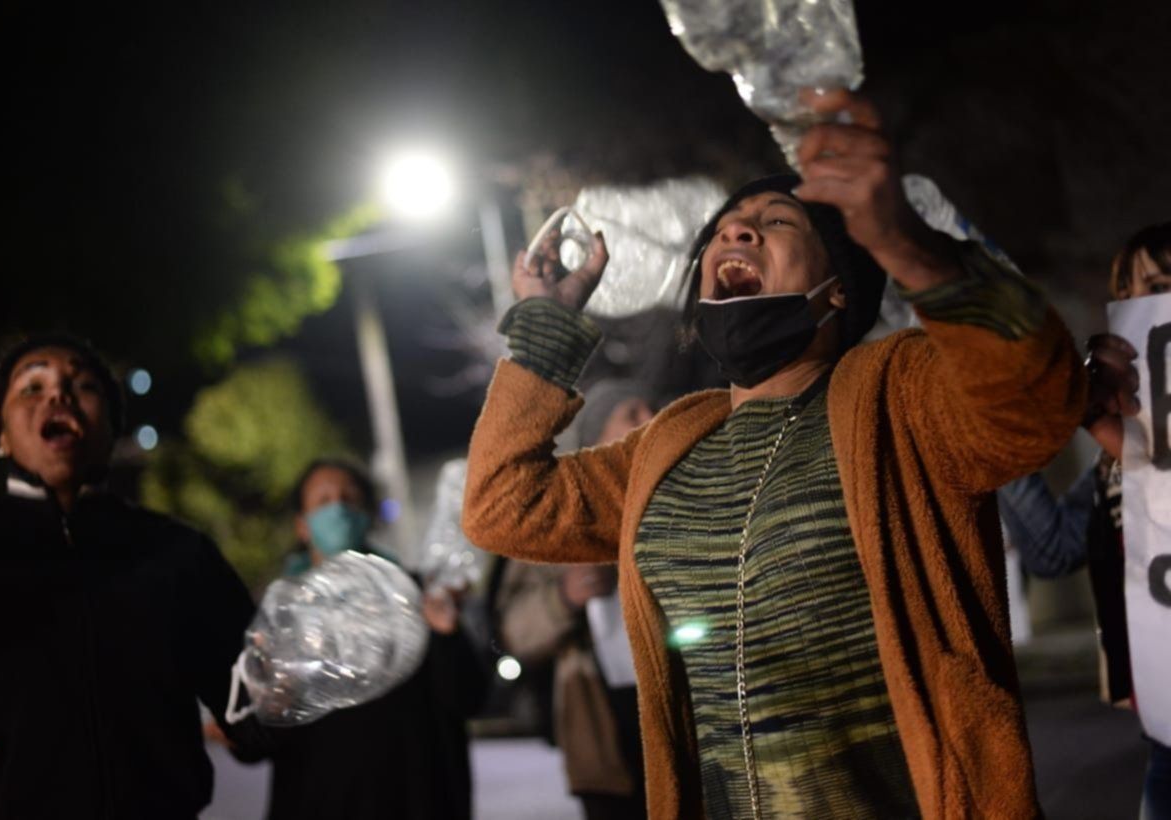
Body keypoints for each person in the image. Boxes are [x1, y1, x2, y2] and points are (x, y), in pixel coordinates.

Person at [461, 89, 1086, 819]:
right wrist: (543, 331)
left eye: (777, 222)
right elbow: (501, 505)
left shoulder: (897, 392)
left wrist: (905, 243)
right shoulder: (670, 445)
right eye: (724, 230)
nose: (737, 233)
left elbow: (1037, 396)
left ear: (837, 289)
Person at [0, 334, 265, 819]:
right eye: (32, 387)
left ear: (111, 427)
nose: (58, 394)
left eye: (84, 385)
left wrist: (299, 670)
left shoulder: (179, 551)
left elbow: (253, 719)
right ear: (2, 435)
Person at [998, 221, 1171, 820]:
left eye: (1162, 288)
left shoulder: (1126, 445)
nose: (1141, 308)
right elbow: (1052, 548)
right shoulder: (1118, 455)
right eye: (1128, 295)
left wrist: (1107, 428)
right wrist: (1002, 422)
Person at [230, 457, 489, 820]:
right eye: (323, 501)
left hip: (416, 802)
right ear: (302, 525)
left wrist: (448, 634)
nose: (338, 509)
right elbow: (254, 744)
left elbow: (470, 698)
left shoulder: (416, 597)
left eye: (349, 498)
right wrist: (269, 700)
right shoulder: (280, 618)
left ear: (367, 515)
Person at [495, 380, 654, 820]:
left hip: (689, 723)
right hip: (605, 737)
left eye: (652, 408)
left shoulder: (680, 501)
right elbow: (514, 632)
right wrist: (564, 597)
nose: (651, 420)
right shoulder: (554, 521)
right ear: (597, 438)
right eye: (632, 413)